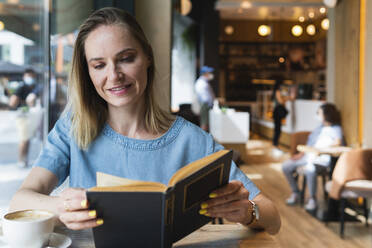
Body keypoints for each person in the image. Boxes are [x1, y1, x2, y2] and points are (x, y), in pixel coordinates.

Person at [10, 7, 280, 234]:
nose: (114, 75)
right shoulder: (73, 127)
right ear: (87, 73)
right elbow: (19, 201)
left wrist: (247, 212)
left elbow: (273, 217)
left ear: (148, 57)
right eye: (99, 65)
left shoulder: (193, 141)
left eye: (126, 59)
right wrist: (59, 206)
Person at [282, 103, 344, 211]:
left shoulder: (336, 128)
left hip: (321, 159)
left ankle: (312, 199)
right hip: (307, 156)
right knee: (286, 166)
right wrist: (300, 154)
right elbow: (310, 143)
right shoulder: (319, 128)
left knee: (310, 169)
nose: (318, 115)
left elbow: (338, 143)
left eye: (319, 113)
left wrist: (322, 149)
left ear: (326, 114)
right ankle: (296, 192)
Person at [8, 68, 41, 167]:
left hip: (30, 116)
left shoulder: (35, 87)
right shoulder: (21, 87)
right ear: (24, 77)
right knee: (24, 139)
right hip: (23, 116)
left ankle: (24, 160)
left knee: (27, 139)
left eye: (32, 76)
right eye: (28, 76)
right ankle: (21, 160)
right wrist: (24, 102)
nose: (30, 78)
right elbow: (12, 103)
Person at [271, 78, 291, 157]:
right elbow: (280, 101)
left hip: (276, 112)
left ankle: (275, 145)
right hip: (277, 112)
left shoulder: (275, 91)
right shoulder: (278, 91)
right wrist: (286, 99)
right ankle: (275, 145)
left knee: (277, 129)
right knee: (278, 129)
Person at [194, 65, 215, 131]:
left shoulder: (205, 82)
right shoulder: (201, 83)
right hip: (205, 105)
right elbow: (204, 97)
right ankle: (203, 139)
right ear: (205, 73)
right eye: (209, 73)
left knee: (206, 123)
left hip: (207, 105)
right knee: (204, 123)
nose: (211, 74)